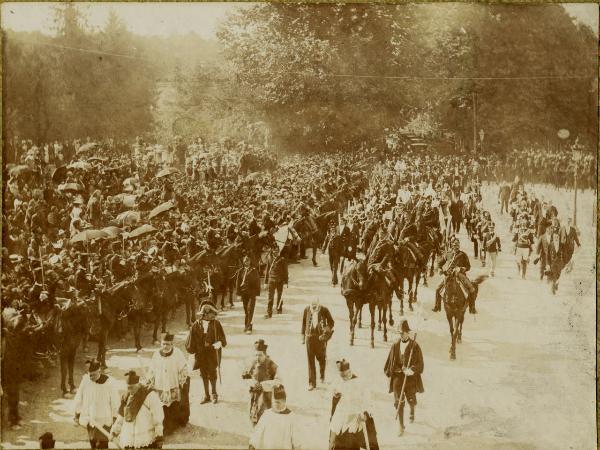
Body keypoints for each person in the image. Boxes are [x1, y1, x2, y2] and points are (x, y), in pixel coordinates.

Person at [383, 320, 424, 436]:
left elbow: (420, 364)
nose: (401, 335)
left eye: (403, 332)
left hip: (410, 377)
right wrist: (397, 369)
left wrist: (411, 370)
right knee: (398, 400)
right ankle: (401, 425)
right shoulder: (395, 345)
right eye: (400, 333)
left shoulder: (414, 346)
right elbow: (390, 363)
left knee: (411, 398)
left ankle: (412, 409)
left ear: (408, 333)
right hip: (398, 377)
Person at [329, 359, 378, 450]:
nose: (344, 378)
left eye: (346, 375)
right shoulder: (338, 381)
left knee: (356, 442)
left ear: (350, 371)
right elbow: (334, 395)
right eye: (342, 376)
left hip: (357, 418)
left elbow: (367, 400)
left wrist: (365, 413)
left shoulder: (359, 382)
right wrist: (335, 395)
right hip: (342, 418)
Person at [147, 332, 189, 435]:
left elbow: (183, 367)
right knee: (161, 405)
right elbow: (152, 369)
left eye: (168, 344)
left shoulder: (177, 353)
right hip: (160, 384)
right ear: (161, 344)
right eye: (163, 344)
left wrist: (182, 378)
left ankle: (173, 425)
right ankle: (164, 425)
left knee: (173, 404)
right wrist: (150, 379)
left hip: (172, 382)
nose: (165, 346)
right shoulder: (156, 354)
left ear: (172, 344)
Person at [185, 301, 227, 404]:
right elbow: (191, 339)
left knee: (212, 372)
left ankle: (214, 394)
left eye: (210, 313)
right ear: (202, 314)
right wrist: (192, 349)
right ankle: (206, 395)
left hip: (212, 352)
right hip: (201, 353)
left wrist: (218, 343)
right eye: (205, 313)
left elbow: (222, 339)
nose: (208, 315)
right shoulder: (196, 325)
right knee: (203, 373)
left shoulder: (216, 324)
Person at [110, 371, 164, 449]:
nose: (130, 391)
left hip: (145, 438)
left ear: (138, 385)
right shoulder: (126, 397)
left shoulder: (149, 395)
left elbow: (158, 416)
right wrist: (114, 432)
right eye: (128, 388)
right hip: (129, 440)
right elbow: (121, 417)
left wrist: (159, 436)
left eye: (132, 388)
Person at [73, 360, 121, 449]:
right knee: (93, 445)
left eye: (93, 375)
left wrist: (115, 420)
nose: (91, 377)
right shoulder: (85, 380)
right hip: (91, 421)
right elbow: (79, 398)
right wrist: (76, 415)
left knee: (102, 446)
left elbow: (116, 403)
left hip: (105, 421)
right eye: (89, 374)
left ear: (99, 371)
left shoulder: (110, 383)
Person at [242, 339, 282, 426]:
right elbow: (245, 377)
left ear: (265, 354)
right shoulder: (253, 363)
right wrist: (252, 382)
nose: (257, 357)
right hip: (254, 395)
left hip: (266, 396)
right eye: (256, 355)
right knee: (253, 416)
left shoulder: (271, 365)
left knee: (265, 417)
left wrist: (263, 385)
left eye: (260, 355)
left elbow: (278, 381)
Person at [433, 238, 477, 314]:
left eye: (457, 245)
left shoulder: (463, 254)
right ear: (452, 246)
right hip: (448, 275)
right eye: (454, 245)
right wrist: (440, 269)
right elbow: (440, 263)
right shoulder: (448, 254)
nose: (456, 247)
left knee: (472, 289)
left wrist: (461, 269)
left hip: (459, 275)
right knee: (437, 289)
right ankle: (437, 306)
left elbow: (468, 266)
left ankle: (472, 308)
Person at [249, 384, 299, 450]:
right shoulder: (267, 415)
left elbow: (297, 444)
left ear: (284, 400)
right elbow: (256, 436)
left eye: (279, 402)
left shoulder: (292, 417)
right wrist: (252, 446)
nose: (277, 405)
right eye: (275, 402)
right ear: (272, 400)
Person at [301, 298, 334, 391]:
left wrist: (326, 330)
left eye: (316, 305)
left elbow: (331, 322)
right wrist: (303, 336)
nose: (314, 307)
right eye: (313, 305)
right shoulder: (306, 309)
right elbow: (303, 323)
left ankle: (322, 375)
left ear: (319, 304)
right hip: (309, 338)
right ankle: (312, 383)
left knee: (321, 358)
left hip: (321, 339)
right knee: (310, 360)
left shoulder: (324, 310)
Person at [236, 255, 261, 334]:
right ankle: (246, 325)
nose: (247, 262)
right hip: (244, 293)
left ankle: (249, 328)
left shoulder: (254, 270)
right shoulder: (240, 271)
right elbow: (238, 283)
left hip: (252, 293)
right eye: (245, 261)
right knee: (246, 311)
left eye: (248, 261)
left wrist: (257, 293)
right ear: (243, 262)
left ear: (250, 262)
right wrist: (238, 294)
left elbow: (258, 281)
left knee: (250, 310)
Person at [264, 247, 288, 317]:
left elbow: (285, 272)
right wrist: (265, 282)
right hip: (271, 280)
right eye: (274, 251)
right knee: (270, 297)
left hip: (280, 281)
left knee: (280, 296)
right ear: (272, 251)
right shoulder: (269, 259)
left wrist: (286, 283)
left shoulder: (282, 260)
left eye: (277, 251)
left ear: (279, 252)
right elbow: (267, 271)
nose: (276, 252)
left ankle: (279, 309)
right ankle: (269, 312)